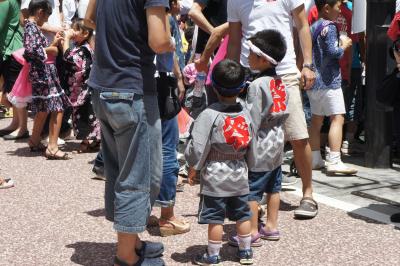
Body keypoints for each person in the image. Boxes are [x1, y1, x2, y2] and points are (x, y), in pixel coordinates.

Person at [87, 0, 175, 265]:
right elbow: (159, 41)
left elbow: (89, 17)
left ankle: (132, 242)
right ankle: (126, 255)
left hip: (102, 86)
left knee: (118, 169)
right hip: (132, 88)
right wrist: (172, 41)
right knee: (141, 175)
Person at [226, 0, 318, 218]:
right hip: (249, 74)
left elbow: (303, 25)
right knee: (247, 137)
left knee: (297, 135)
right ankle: (250, 195)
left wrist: (307, 64)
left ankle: (308, 193)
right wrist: (229, 75)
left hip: (284, 74)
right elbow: (234, 39)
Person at [186, 59, 254, 265]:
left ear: (213, 86)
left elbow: (198, 146)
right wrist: (251, 165)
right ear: (242, 87)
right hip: (240, 171)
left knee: (215, 216)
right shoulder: (245, 112)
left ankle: (213, 255)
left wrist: (193, 166)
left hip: (215, 173)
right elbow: (252, 142)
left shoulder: (209, 114)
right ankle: (246, 252)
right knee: (243, 214)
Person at [228, 29, 288, 247]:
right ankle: (271, 226)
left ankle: (252, 230)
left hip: (261, 141)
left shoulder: (256, 85)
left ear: (262, 59)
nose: (247, 57)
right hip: (277, 138)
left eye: (251, 53)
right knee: (274, 185)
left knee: (252, 188)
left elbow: (252, 118)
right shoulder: (280, 82)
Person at [152, 0, 190, 237]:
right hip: (160, 83)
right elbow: (167, 47)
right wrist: (177, 77)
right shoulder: (163, 17)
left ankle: (143, 211)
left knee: (143, 150)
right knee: (167, 149)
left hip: (138, 82)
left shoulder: (138, 13)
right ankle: (167, 215)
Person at [307, 0, 357, 175]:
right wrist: (344, 45)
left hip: (314, 82)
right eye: (337, 7)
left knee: (316, 120)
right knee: (337, 118)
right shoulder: (331, 26)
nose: (339, 10)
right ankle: (335, 160)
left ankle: (314, 159)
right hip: (329, 81)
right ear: (327, 8)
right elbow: (332, 52)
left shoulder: (313, 26)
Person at [24, 0, 71, 159]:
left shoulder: (32, 28)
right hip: (43, 73)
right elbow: (32, 51)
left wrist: (54, 43)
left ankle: (34, 140)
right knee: (58, 106)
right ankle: (52, 146)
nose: (46, 19)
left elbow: (38, 49)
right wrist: (52, 49)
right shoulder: (31, 28)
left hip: (44, 72)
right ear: (40, 12)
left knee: (44, 107)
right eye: (47, 15)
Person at [61, 18, 100, 153]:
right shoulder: (82, 47)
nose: (72, 31)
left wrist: (66, 39)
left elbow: (69, 59)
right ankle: (94, 141)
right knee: (88, 114)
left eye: (76, 29)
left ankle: (86, 142)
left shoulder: (84, 49)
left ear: (85, 33)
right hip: (82, 87)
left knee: (85, 114)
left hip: (84, 88)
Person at [0, 0, 28, 140]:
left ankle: (22, 128)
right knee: (12, 88)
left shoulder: (6, 3)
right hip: (13, 49)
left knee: (15, 88)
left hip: (12, 50)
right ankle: (15, 123)